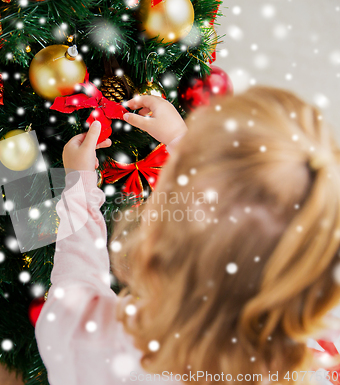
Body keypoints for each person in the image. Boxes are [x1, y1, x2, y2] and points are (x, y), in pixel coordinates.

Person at [35, 87, 340, 385]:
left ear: (159, 240)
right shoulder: (319, 348)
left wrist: (79, 189)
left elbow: (74, 287)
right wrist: (183, 142)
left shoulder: (101, 344)